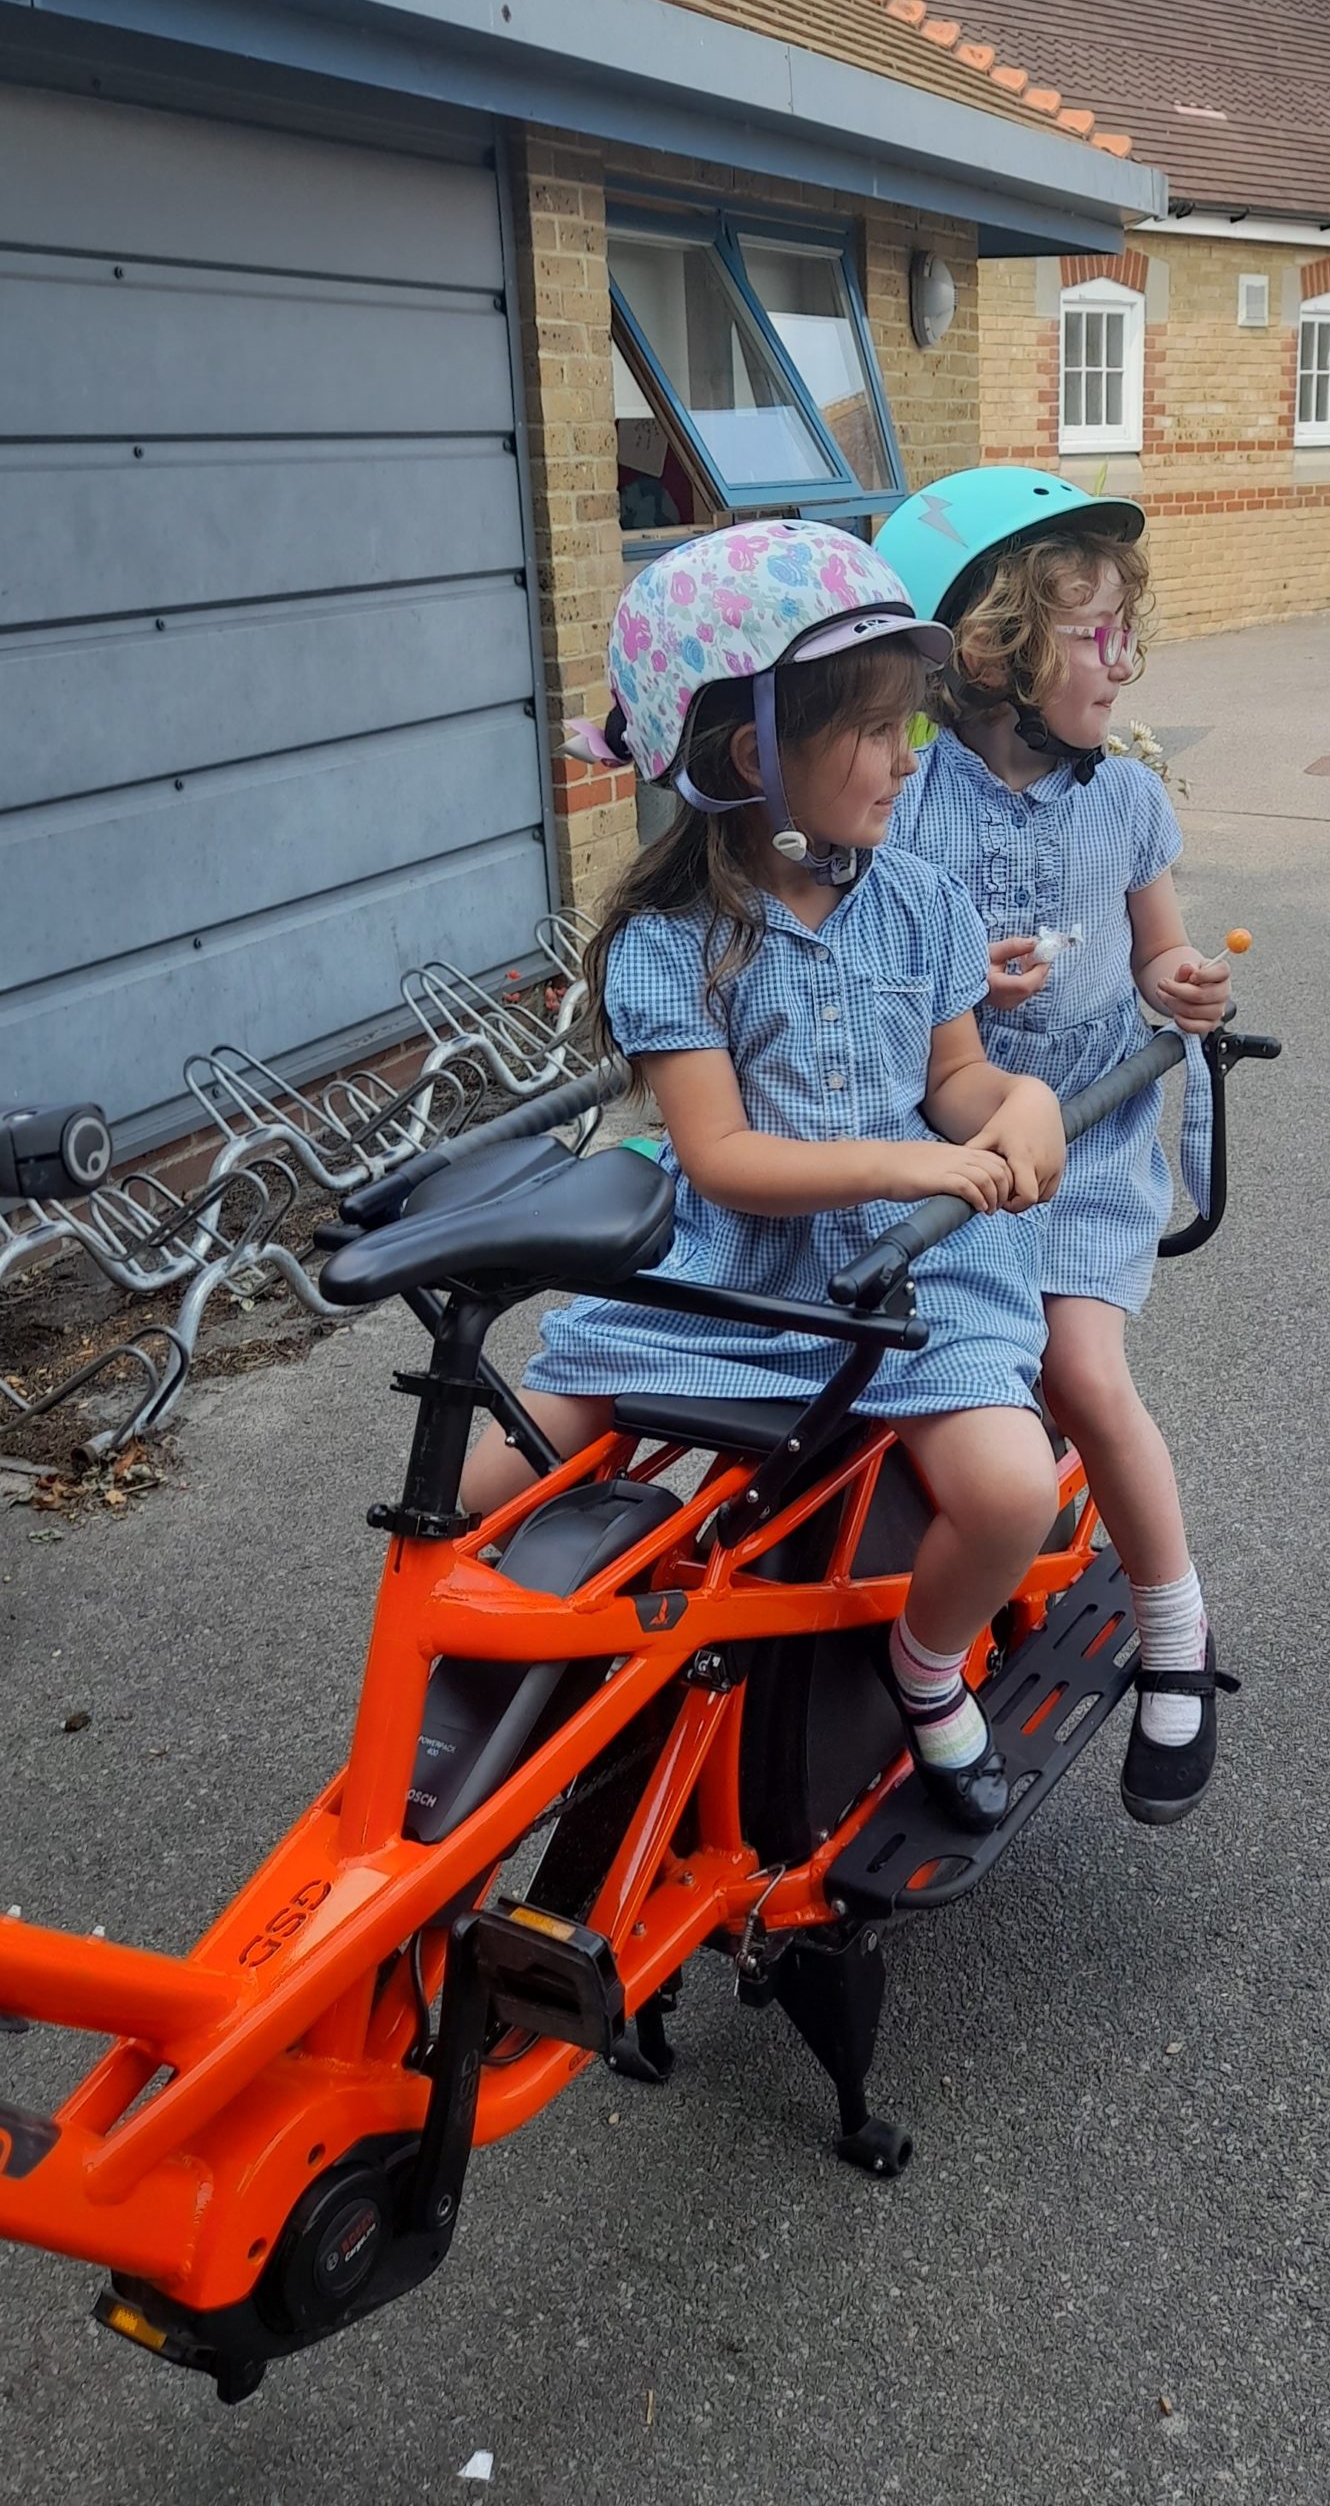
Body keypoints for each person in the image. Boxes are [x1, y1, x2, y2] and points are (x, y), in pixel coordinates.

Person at [461, 521, 1068, 1831]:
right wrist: (923, 1153)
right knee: (480, 1492)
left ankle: (923, 1666)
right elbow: (721, 1160)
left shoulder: (922, 904)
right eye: (873, 730)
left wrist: (1019, 1102)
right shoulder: (675, 943)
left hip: (907, 1271)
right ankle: (544, 1698)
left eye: (910, 725)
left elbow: (957, 1079)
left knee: (1013, 1491)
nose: (906, 759)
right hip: (735, 1267)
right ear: (756, 759)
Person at [876, 468, 1239, 1828]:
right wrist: (955, 977)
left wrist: (1190, 986)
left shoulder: (1129, 803)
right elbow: (875, 964)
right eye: (1095, 635)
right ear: (996, 654)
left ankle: (1174, 1634)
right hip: (947, 1138)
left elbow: (1162, 959)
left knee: (1081, 1368)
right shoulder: (909, 801)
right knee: (907, 1376)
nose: (1124, 661)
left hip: (1085, 1140)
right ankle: (940, 1583)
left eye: (1124, 633)